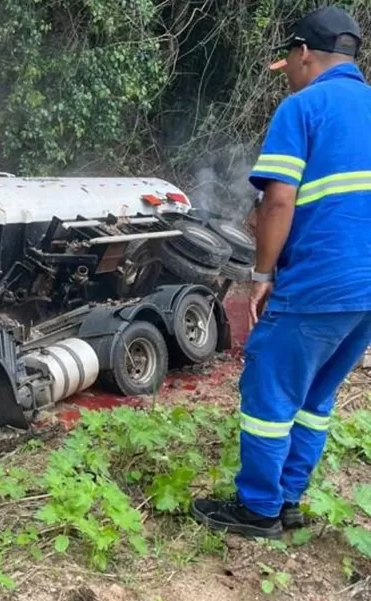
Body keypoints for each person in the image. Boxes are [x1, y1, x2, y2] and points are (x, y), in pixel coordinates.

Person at [193, 6, 371, 539]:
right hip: (365, 291)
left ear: (303, 54)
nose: (289, 73)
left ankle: (259, 509)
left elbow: (277, 202)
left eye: (288, 62)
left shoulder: (303, 107)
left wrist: (262, 273)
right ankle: (290, 498)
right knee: (316, 395)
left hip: (320, 279)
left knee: (269, 388)